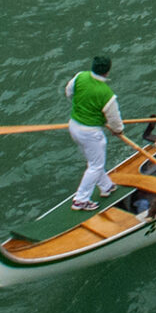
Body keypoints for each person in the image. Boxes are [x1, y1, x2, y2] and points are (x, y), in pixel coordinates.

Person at [64, 55, 123, 210]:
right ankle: (80, 200)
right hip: (90, 133)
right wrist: (118, 130)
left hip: (74, 126)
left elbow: (69, 92)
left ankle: (106, 186)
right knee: (96, 165)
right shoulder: (106, 94)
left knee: (94, 161)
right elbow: (114, 119)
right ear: (107, 71)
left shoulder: (80, 77)